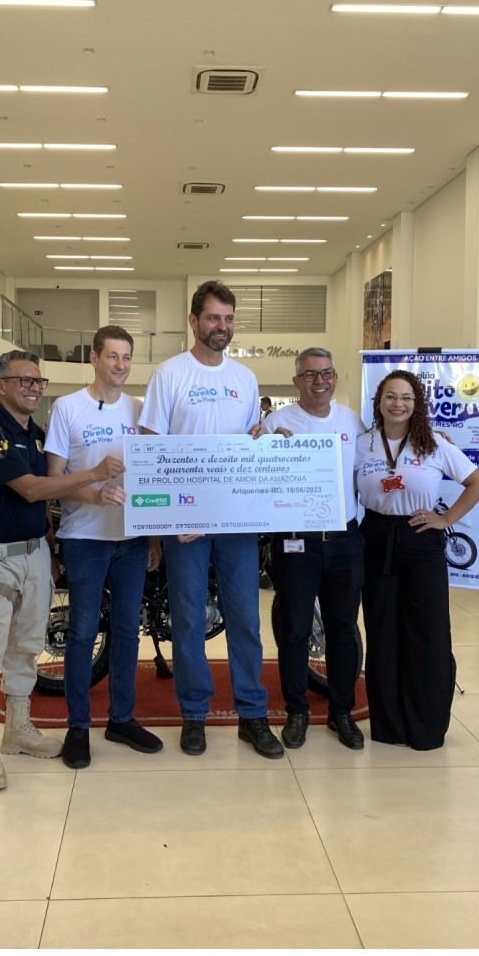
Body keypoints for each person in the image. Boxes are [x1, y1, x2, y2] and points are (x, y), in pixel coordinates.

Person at [0, 349, 126, 791]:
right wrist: (89, 474)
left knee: (27, 645)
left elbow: (45, 505)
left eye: (38, 381)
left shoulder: (36, 434)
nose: (33, 388)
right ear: (2, 385)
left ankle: (17, 728)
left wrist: (49, 546)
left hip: (33, 554)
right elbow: (32, 489)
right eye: (24, 380)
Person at [139, 280, 282, 759]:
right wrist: (160, 526)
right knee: (188, 618)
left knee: (245, 617)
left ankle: (252, 714)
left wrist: (261, 439)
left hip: (236, 517)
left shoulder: (244, 378)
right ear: (194, 321)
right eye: (213, 318)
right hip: (186, 518)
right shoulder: (169, 374)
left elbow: (246, 443)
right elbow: (150, 446)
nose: (221, 327)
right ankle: (195, 713)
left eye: (228, 318)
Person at [45, 326, 163, 769]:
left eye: (126, 357)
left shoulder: (139, 410)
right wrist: (93, 486)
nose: (120, 365)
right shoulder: (67, 408)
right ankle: (79, 726)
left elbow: (152, 475)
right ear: (93, 358)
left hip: (131, 540)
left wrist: (152, 536)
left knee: (128, 631)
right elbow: (54, 481)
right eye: (112, 356)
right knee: (81, 632)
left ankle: (121, 717)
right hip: (85, 540)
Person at [355, 369, 479, 750]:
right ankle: (389, 726)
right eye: (391, 396)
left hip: (421, 541)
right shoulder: (361, 445)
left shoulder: (433, 445)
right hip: (376, 538)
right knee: (382, 631)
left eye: (407, 398)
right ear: (378, 402)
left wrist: (446, 519)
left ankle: (426, 726)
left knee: (428, 632)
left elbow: (478, 482)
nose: (399, 404)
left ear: (417, 405)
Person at [263, 348, 365, 751]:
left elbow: (371, 470)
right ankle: (297, 711)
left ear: (335, 377)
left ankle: (341, 711)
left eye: (325, 373)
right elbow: (259, 478)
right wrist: (268, 448)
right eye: (309, 375)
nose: (318, 381)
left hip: (344, 542)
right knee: (295, 632)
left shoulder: (351, 421)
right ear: (296, 382)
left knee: (343, 631)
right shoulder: (276, 422)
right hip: (295, 544)